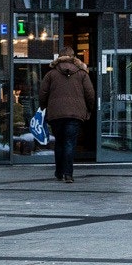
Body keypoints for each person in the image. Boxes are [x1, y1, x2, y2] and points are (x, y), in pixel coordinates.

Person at [38, 52, 94, 183]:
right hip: (75, 114)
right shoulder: (82, 74)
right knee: (70, 143)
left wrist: (43, 106)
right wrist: (89, 109)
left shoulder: (51, 74)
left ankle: (59, 172)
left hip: (56, 114)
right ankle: (68, 174)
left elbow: (43, 93)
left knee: (59, 142)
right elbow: (90, 93)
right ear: (73, 57)